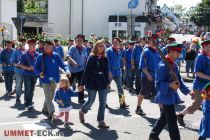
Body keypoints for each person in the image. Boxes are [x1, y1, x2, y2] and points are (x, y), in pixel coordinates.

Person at [148, 43, 191, 140]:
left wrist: (188, 91)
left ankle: (153, 135)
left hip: (171, 96)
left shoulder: (173, 63)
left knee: (164, 118)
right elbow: (157, 84)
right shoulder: (163, 65)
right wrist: (169, 85)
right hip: (165, 97)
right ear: (171, 52)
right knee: (172, 121)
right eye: (177, 52)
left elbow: (179, 80)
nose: (179, 55)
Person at [177, 39, 210, 126]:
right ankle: (180, 115)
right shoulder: (200, 57)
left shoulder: (208, 56)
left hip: (207, 86)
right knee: (196, 104)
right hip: (200, 86)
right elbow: (197, 72)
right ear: (205, 46)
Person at [35, 40, 70, 120]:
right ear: (43, 47)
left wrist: (67, 70)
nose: (47, 47)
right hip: (45, 79)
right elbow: (36, 68)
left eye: (49, 46)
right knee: (48, 95)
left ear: (52, 47)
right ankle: (51, 112)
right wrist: (39, 73)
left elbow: (63, 64)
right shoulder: (41, 56)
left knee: (50, 96)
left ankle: (44, 109)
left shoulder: (56, 55)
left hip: (54, 79)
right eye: (45, 46)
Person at [78, 40, 109, 128]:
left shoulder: (105, 58)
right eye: (100, 46)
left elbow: (106, 71)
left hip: (102, 81)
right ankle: (82, 111)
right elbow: (87, 71)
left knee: (103, 102)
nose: (101, 48)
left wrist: (107, 82)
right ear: (96, 47)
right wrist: (82, 84)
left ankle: (101, 121)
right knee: (91, 100)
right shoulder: (92, 57)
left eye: (103, 46)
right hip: (92, 81)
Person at [136, 36, 160, 116]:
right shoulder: (145, 51)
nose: (154, 42)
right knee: (143, 92)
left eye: (155, 41)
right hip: (147, 75)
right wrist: (148, 74)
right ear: (149, 42)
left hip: (156, 75)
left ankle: (162, 112)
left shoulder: (157, 51)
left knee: (158, 93)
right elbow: (142, 65)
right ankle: (138, 108)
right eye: (152, 41)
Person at [106, 37, 129, 108]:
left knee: (120, 88)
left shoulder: (119, 50)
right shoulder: (108, 51)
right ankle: (103, 102)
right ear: (112, 43)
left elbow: (119, 59)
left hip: (117, 72)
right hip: (110, 72)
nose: (116, 43)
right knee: (106, 88)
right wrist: (109, 72)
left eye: (118, 42)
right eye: (115, 42)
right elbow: (106, 62)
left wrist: (123, 63)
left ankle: (122, 103)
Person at [67, 34, 88, 104]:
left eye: (81, 40)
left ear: (82, 41)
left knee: (81, 84)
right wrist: (73, 62)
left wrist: (86, 67)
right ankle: (66, 97)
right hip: (72, 70)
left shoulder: (84, 48)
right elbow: (68, 56)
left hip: (81, 69)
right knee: (68, 84)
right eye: (78, 40)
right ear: (76, 40)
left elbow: (85, 58)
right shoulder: (72, 48)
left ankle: (81, 99)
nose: (79, 41)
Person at [19, 39, 39, 111]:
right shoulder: (24, 55)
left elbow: (40, 65)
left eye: (34, 45)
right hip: (27, 74)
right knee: (28, 89)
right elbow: (20, 65)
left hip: (35, 75)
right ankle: (28, 104)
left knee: (32, 90)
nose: (33, 46)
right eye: (31, 45)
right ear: (29, 46)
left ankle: (28, 101)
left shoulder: (38, 55)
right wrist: (27, 68)